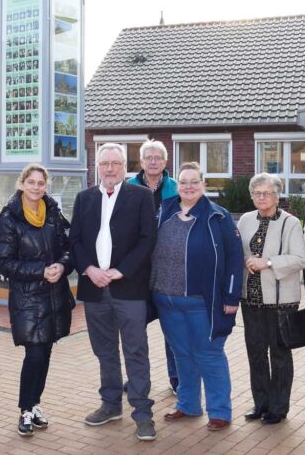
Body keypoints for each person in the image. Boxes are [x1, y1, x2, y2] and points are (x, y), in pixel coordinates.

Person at [70, 143, 158, 441]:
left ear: (125, 166)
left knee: (135, 350)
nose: (109, 169)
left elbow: (148, 240)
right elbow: (76, 241)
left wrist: (121, 271)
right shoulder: (84, 199)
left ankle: (143, 414)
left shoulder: (142, 197)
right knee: (105, 351)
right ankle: (110, 404)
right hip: (94, 288)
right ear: (98, 166)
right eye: (104, 163)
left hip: (128, 287)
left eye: (115, 164)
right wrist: (90, 270)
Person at [153, 162, 243, 431]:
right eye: (183, 182)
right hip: (166, 300)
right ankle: (188, 404)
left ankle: (219, 411)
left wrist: (231, 296)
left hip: (203, 302)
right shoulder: (164, 210)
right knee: (181, 354)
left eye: (194, 181)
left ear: (203, 185)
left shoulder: (219, 216)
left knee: (208, 354)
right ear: (177, 185)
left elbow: (235, 259)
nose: (188, 187)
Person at [0, 164, 74, 437]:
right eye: (32, 182)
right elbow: (4, 263)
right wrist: (40, 271)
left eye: (41, 183)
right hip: (28, 298)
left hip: (54, 295)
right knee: (35, 354)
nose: (37, 188)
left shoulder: (53, 213)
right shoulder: (9, 218)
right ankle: (25, 409)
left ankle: (35, 404)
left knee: (46, 354)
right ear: (22, 183)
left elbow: (68, 247)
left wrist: (62, 267)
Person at [238, 173, 305, 425]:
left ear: (278, 196)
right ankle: (261, 403)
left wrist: (267, 262)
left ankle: (278, 407)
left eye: (267, 193)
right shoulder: (245, 220)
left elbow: (300, 258)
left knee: (279, 355)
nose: (261, 197)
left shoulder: (290, 223)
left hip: (281, 301)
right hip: (251, 300)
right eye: (257, 193)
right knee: (255, 353)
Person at [128, 139, 179, 394]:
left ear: (165, 161)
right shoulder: (129, 187)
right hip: (137, 271)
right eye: (148, 157)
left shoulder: (176, 189)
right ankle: (137, 378)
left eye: (157, 157)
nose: (153, 161)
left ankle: (176, 378)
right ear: (141, 161)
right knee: (135, 328)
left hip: (167, 270)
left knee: (172, 328)